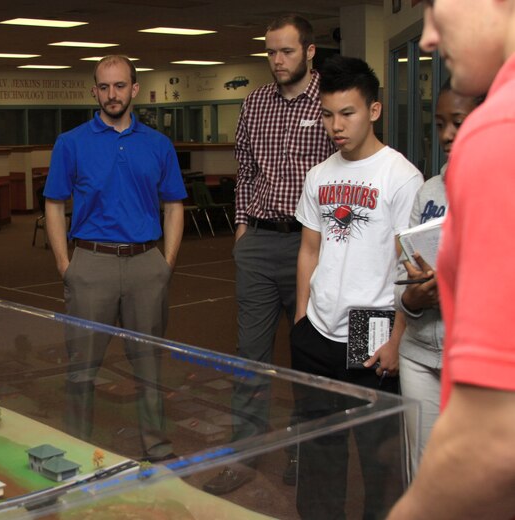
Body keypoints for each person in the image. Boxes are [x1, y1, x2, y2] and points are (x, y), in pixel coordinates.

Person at [388, 1, 515, 518]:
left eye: (440, 7)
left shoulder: (494, 137)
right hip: (422, 346)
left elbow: (490, 434)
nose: (427, 37)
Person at [206, 14, 336, 494]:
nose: (277, 60)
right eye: (271, 52)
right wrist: (242, 228)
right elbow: (245, 169)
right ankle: (245, 458)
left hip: (312, 244)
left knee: (309, 353)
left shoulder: (331, 101)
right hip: (259, 242)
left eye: (286, 51)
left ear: (309, 51)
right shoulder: (256, 101)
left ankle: (305, 455)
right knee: (251, 358)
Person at [291, 55, 422, 518]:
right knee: (319, 449)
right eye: (327, 114)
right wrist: (301, 319)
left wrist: (397, 338)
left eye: (347, 113)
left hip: (373, 325)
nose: (335, 125)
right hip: (318, 328)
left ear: (374, 111)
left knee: (378, 456)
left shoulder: (401, 177)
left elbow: (412, 269)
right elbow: (309, 248)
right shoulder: (320, 174)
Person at [43, 55, 186, 462]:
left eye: (120, 86)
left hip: (146, 265)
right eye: (104, 88)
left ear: (134, 89)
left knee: (150, 366)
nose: (112, 95)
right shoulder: (71, 142)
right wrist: (64, 265)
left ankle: (156, 447)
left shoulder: (158, 144)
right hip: (91, 264)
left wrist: (166, 263)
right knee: (81, 366)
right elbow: (54, 203)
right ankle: (75, 447)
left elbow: (174, 205)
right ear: (94, 91)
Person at [395, 82, 482, 477]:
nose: (446, 134)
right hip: (419, 356)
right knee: (424, 473)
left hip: (477, 362)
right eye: (441, 123)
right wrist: (414, 299)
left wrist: (450, 289)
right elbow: (402, 278)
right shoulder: (429, 190)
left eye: (458, 123)